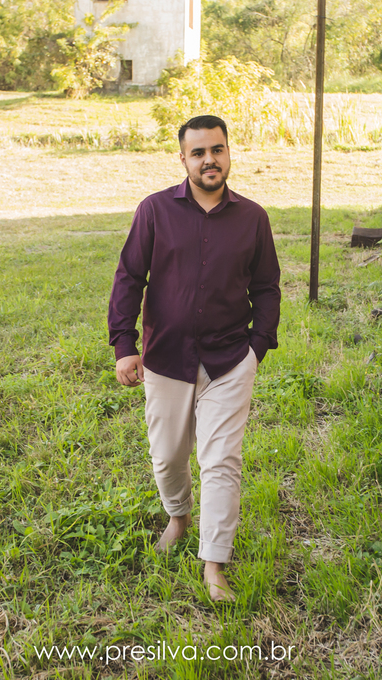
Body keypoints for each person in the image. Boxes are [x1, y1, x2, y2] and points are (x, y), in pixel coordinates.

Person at [108, 113, 281, 602]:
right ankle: (179, 517)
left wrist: (257, 347)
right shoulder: (154, 211)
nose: (210, 160)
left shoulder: (253, 218)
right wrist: (124, 346)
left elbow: (267, 287)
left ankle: (214, 564)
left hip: (230, 359)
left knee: (221, 461)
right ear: (183, 158)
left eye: (217, 150)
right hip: (166, 358)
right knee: (167, 457)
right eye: (199, 152)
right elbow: (129, 278)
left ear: (228, 153)